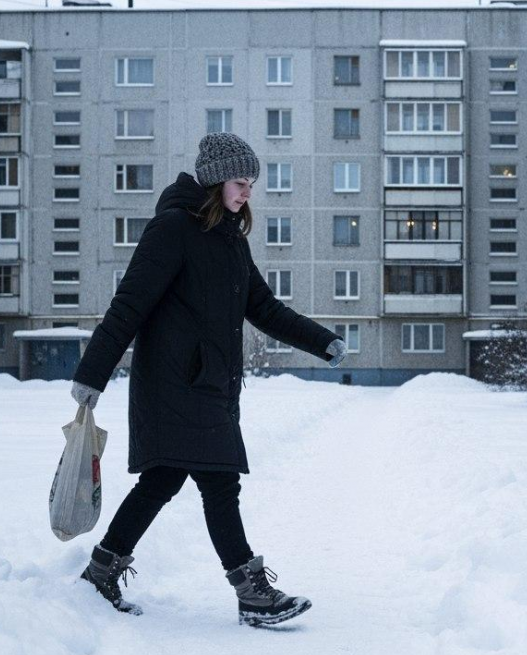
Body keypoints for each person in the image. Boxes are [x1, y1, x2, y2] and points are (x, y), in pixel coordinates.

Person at [67, 132, 347, 625]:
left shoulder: (230, 239)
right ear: (216, 179)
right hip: (174, 384)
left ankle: (101, 571)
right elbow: (129, 304)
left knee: (161, 481)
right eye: (241, 182)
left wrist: (320, 340)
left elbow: (262, 307)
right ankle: (251, 592)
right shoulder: (173, 228)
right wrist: (93, 374)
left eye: (251, 184)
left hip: (209, 385)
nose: (247, 193)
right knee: (219, 483)